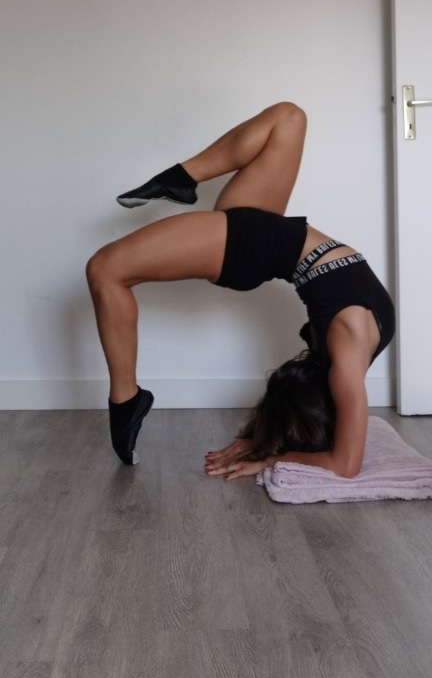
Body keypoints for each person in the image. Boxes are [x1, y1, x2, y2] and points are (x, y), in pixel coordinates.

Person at [86, 103, 395, 478]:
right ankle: (182, 178)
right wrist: (262, 440)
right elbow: (346, 461)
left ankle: (125, 399)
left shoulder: (347, 354)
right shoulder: (345, 363)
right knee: (288, 117)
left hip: (255, 248)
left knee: (105, 269)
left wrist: (267, 456)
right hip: (270, 239)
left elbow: (344, 466)